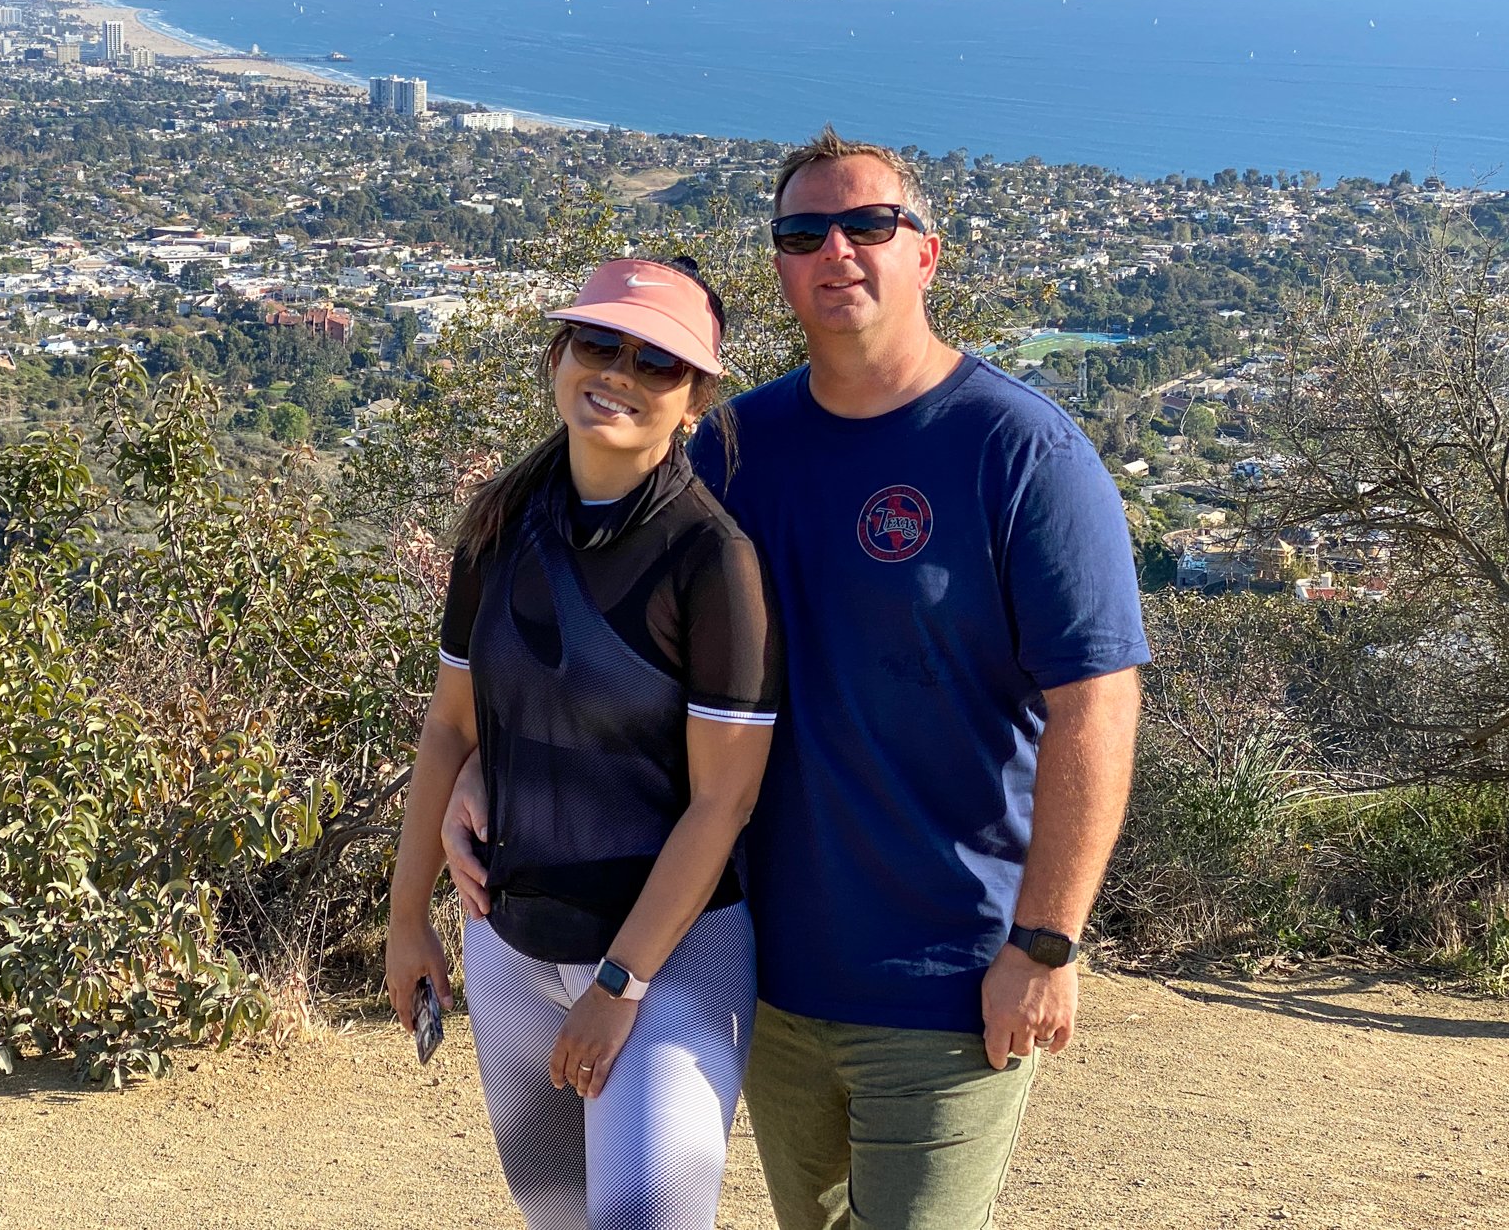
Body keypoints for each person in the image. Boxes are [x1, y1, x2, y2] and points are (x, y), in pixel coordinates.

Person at [446, 130, 1148, 1230]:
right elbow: (592, 632)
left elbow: (1095, 707)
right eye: (801, 231)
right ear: (777, 266)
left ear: (926, 253)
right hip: (761, 968)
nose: (837, 249)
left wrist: (1043, 943)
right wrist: (483, 769)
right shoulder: (727, 445)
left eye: (869, 224)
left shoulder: (1019, 454)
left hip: (947, 981)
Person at [384, 257, 781, 1230]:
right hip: (509, 945)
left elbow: (721, 802)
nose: (618, 372)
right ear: (557, 356)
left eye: (657, 363)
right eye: (598, 344)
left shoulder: (711, 560)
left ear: (693, 401)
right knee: (558, 1220)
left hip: (669, 963)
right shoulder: (498, 526)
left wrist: (619, 982)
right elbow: (449, 728)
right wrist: (406, 922)